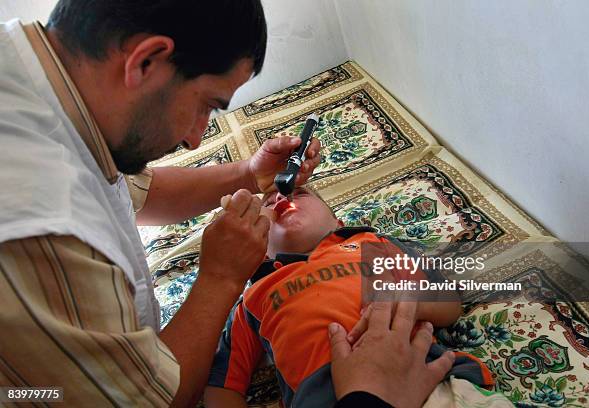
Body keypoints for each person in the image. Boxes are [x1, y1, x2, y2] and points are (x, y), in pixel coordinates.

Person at [0, 1, 456, 406]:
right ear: (146, 61)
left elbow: (130, 190)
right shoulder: (42, 222)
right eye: (207, 105)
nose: (196, 137)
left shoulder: (366, 245)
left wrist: (249, 174)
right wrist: (220, 278)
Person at [203, 187, 494, 407]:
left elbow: (449, 303)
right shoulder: (253, 296)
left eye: (299, 193)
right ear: (260, 249)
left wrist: (408, 303)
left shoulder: (370, 243)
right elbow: (224, 384)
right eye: (268, 203)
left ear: (337, 221)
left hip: (428, 378)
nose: (280, 200)